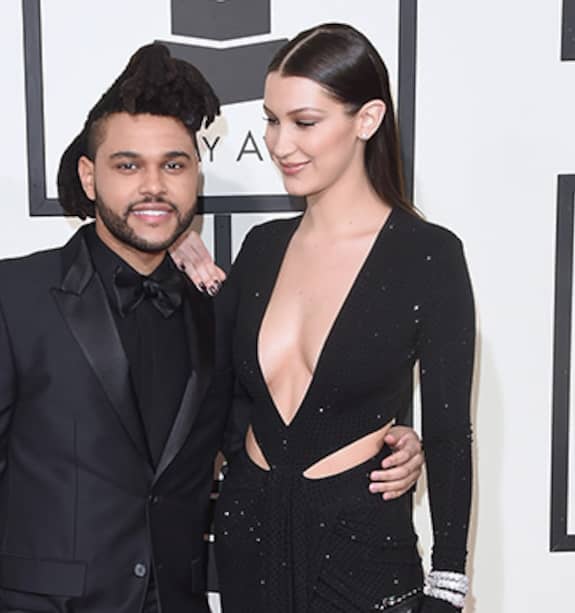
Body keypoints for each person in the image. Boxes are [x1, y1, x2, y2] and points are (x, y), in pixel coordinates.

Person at [0, 43, 425, 613]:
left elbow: (265, 439)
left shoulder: (218, 310)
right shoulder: (8, 298)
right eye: (128, 165)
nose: (153, 186)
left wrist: (393, 442)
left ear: (195, 175)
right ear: (89, 177)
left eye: (174, 165)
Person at [173, 23, 475, 613]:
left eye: (304, 122)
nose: (280, 144)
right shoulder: (261, 249)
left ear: (366, 120)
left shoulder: (428, 255)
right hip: (246, 538)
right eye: (271, 119)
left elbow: (447, 435)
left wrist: (448, 584)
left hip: (361, 551)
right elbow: (226, 401)